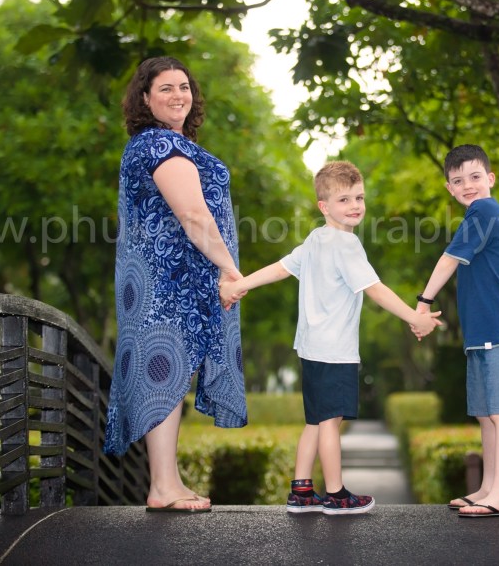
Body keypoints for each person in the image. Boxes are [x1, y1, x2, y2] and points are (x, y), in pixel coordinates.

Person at [220, 161, 442, 515]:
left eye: (359, 197)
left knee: (316, 419)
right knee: (330, 422)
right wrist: (414, 317)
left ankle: (302, 491)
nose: (355, 205)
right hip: (334, 351)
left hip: (310, 348)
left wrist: (238, 285)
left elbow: (280, 268)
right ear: (323, 206)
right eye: (344, 200)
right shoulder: (346, 245)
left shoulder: (315, 239)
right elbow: (375, 290)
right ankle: (336, 494)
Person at [104, 56, 248, 514]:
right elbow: (192, 215)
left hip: (175, 282)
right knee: (164, 374)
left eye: (183, 87)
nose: (178, 95)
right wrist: (231, 269)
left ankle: (167, 481)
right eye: (165, 88)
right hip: (167, 283)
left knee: (171, 377)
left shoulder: (165, 144)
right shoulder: (159, 145)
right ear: (144, 98)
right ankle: (163, 485)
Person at [414, 144, 499, 518]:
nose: (468, 185)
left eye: (475, 177)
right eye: (458, 180)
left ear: (491, 179)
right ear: (450, 188)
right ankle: (486, 487)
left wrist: (422, 302)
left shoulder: (485, 210)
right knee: (486, 413)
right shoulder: (481, 216)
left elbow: (448, 259)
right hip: (483, 332)